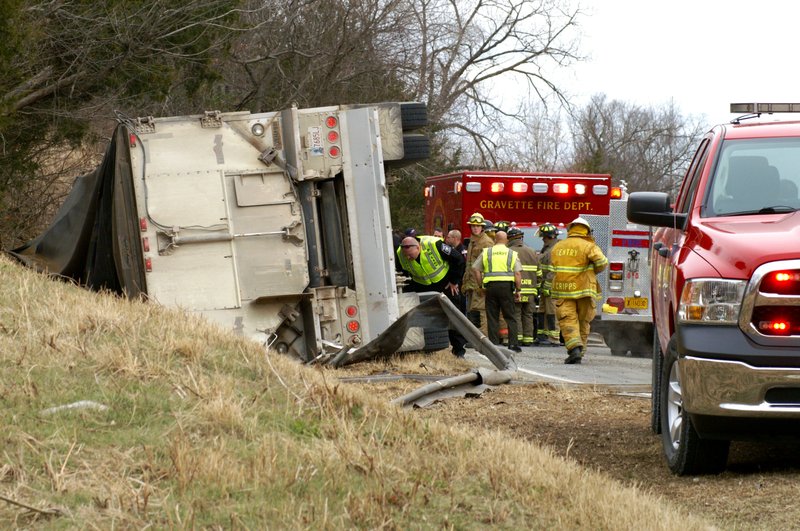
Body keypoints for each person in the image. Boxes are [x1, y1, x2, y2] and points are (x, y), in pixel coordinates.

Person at [395, 235, 467, 357]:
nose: (408, 258)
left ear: (418, 248)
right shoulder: (400, 253)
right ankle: (424, 348)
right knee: (422, 317)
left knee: (453, 316)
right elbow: (401, 271)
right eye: (406, 255)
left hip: (445, 284)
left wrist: (454, 281)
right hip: (421, 285)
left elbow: (459, 259)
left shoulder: (435, 245)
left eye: (410, 255)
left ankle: (459, 351)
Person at [549, 217, 608, 364]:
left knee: (568, 319)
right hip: (585, 289)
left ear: (570, 229)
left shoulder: (558, 246)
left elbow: (552, 268)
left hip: (563, 290)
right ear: (586, 230)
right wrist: (592, 271)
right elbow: (602, 262)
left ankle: (574, 348)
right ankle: (580, 352)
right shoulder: (589, 246)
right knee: (583, 321)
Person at [472, 231, 522, 352]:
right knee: (510, 316)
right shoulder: (512, 253)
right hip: (506, 288)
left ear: (495, 240)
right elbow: (517, 273)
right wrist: (518, 290)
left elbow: (475, 269)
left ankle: (494, 344)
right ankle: (513, 344)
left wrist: (481, 286)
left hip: (490, 287)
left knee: (492, 316)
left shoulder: (487, 252)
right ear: (506, 241)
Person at [461, 213, 494, 336]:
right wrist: (465, 282)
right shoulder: (472, 241)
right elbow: (469, 265)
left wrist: (483, 285)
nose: (475, 228)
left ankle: (482, 337)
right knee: (471, 310)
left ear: (482, 227)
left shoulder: (486, 243)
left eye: (478, 226)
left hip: (480, 283)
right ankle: (473, 336)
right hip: (471, 282)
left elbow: (489, 265)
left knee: (480, 310)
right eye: (473, 226)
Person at [507, 227, 539, 346]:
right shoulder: (532, 251)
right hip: (530, 290)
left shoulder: (508, 251)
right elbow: (539, 272)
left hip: (516, 289)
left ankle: (518, 338)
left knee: (516, 314)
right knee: (528, 315)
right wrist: (537, 287)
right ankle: (528, 339)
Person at [536, 223, 561, 347]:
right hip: (545, 285)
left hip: (551, 286)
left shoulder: (554, 250)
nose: (542, 239)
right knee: (542, 310)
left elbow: (553, 270)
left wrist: (547, 285)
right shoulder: (547, 248)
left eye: (544, 237)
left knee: (551, 312)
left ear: (549, 237)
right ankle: (543, 335)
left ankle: (554, 337)